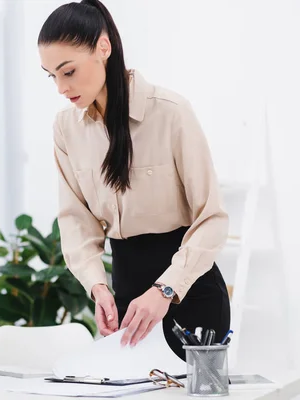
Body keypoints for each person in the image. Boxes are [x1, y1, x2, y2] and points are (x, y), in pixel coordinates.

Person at [38, 0, 230, 361]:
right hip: (126, 297)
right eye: (52, 76)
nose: (61, 88)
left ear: (103, 47)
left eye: (68, 71)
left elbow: (212, 218)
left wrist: (165, 290)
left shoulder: (170, 113)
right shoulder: (66, 129)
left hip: (190, 292)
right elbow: (76, 221)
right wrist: (97, 286)